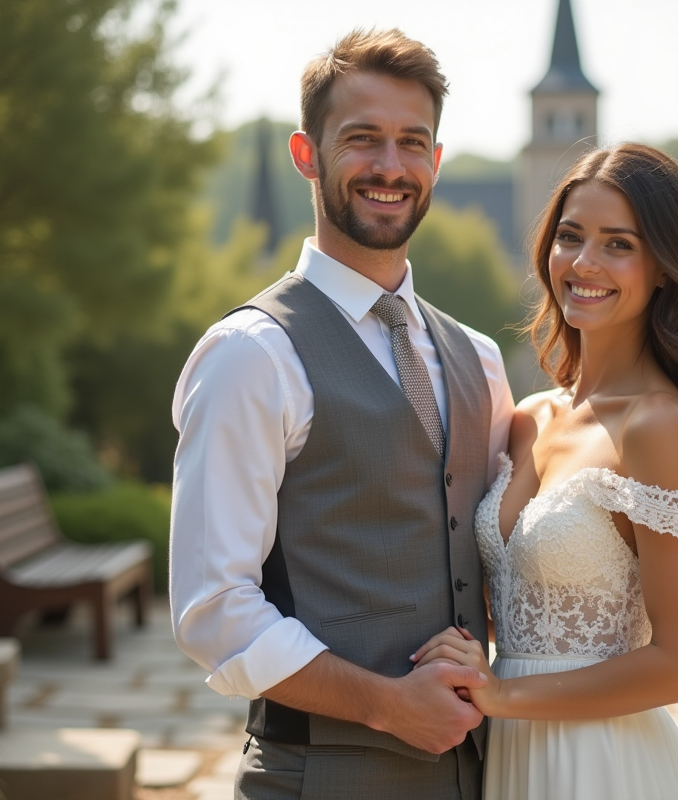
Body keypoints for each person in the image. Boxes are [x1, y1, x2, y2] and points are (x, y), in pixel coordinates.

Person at [169, 29, 514, 800]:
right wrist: (391, 707)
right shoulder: (251, 355)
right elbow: (212, 612)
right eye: (362, 139)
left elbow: (486, 562)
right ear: (307, 155)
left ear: (436, 160)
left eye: (411, 143)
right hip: (316, 776)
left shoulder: (480, 359)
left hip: (476, 777)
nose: (390, 167)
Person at [412, 143, 678, 800]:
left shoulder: (657, 425)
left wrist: (502, 694)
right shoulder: (526, 419)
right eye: (570, 237)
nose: (584, 263)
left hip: (605, 764)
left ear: (663, 267)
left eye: (618, 244)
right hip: (510, 759)